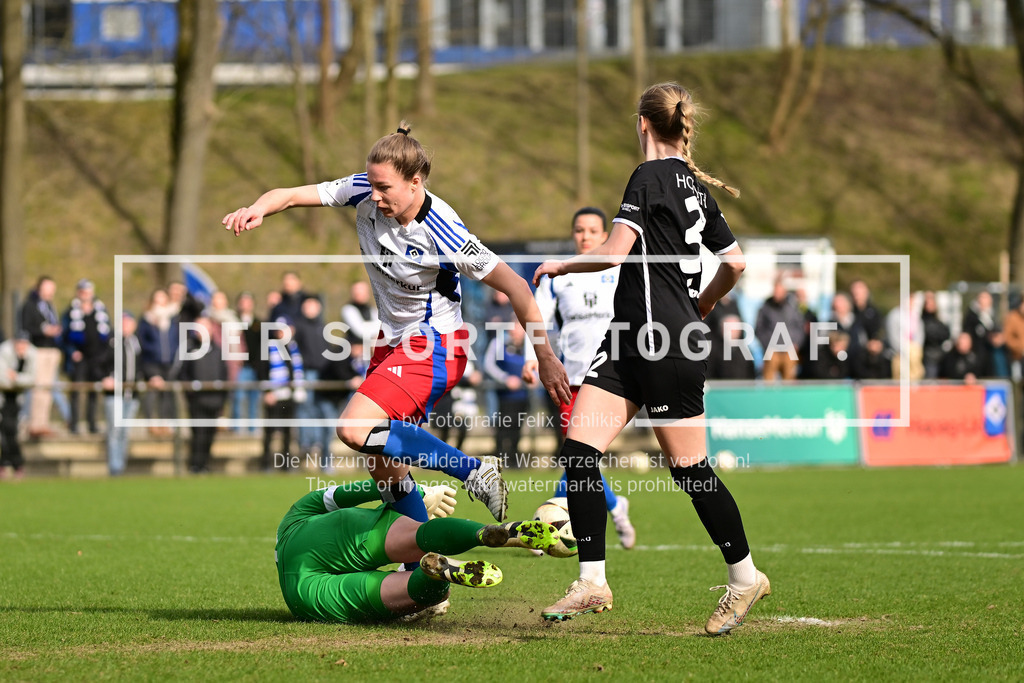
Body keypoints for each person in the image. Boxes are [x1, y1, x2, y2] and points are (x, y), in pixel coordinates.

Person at [224, 121, 571, 524]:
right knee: (386, 470)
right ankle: (422, 574)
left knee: (354, 429)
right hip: (392, 343)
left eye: (383, 188)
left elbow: (518, 289)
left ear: (414, 181)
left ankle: (473, 470)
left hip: (437, 344)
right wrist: (257, 209)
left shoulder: (445, 232)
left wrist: (545, 356)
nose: (372, 195)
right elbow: (288, 195)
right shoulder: (364, 189)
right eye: (370, 184)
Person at [532, 83, 768, 634]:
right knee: (580, 450)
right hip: (631, 339)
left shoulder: (649, 176)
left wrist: (561, 266)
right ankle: (592, 581)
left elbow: (613, 251)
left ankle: (745, 577)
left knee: (689, 471)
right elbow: (734, 264)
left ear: (643, 123)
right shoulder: (694, 187)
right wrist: (701, 306)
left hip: (662, 341)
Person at [275, 480, 562, 624]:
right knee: (416, 533)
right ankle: (483, 532)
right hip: (318, 530)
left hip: (303, 591)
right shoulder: (294, 512)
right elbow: (357, 491)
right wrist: (418, 492)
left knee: (407, 592)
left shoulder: (290, 537)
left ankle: (434, 576)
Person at [521, 206, 635, 549]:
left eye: (592, 231)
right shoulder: (560, 275)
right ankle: (607, 507)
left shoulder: (618, 270)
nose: (584, 236)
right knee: (578, 455)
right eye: (579, 230)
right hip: (569, 378)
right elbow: (538, 318)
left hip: (612, 377)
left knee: (579, 455)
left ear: (605, 236)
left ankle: (550, 523)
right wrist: (532, 358)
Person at [178, 316, 229, 473]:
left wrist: (222, 398)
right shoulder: (189, 349)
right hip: (197, 401)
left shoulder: (218, 350)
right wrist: (190, 392)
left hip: (214, 400)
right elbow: (183, 374)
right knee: (198, 434)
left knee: (209, 435)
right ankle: (195, 465)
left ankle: (205, 464)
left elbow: (224, 375)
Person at [61, 279, 111, 434]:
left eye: (88, 292)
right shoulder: (70, 311)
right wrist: (72, 352)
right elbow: (63, 336)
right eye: (83, 292)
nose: (85, 295)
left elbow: (107, 334)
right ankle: (74, 423)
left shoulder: (100, 310)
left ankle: (92, 423)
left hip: (96, 357)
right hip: (78, 357)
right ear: (78, 293)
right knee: (76, 391)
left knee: (93, 391)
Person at [19, 276, 67, 438]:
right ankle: (33, 424)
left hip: (52, 350)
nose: (50, 292)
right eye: (47, 288)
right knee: (38, 389)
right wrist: (43, 331)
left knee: (48, 389)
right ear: (39, 288)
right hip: (38, 350)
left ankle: (43, 423)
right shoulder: (30, 305)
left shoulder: (49, 306)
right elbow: (26, 327)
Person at [261, 317, 305, 472]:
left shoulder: (293, 347)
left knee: (287, 432)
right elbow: (263, 371)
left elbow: (295, 371)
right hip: (274, 396)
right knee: (270, 432)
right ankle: (266, 464)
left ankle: (286, 465)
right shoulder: (270, 347)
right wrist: (267, 391)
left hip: (289, 396)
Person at [101, 312, 141, 477]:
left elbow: (143, 365)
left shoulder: (136, 343)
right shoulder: (111, 343)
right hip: (115, 395)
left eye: (129, 323)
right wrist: (106, 378)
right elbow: (99, 363)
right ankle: (114, 468)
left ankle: (121, 467)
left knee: (124, 433)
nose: (126, 326)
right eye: (123, 323)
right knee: (115, 432)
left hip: (132, 395)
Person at [483, 320, 529, 463]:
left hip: (523, 395)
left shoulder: (530, 346)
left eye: (519, 327)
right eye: (514, 326)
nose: (516, 330)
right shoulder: (498, 343)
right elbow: (488, 365)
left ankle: (514, 459)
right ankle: (499, 458)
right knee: (502, 427)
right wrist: (505, 378)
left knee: (517, 427)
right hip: (504, 395)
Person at [136, 288, 180, 431]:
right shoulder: (146, 320)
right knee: (152, 392)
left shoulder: (173, 319)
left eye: (162, 299)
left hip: (170, 363)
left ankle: (168, 424)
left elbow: (177, 340)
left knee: (168, 394)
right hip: (151, 363)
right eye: (157, 299)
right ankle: (151, 423)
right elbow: (141, 343)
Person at [0, 332, 36, 480]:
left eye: (24, 344)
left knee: (10, 431)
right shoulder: (4, 351)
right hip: (2, 396)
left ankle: (14, 464)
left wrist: (16, 377)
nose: (22, 347)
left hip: (17, 399)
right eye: (19, 344)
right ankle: (11, 464)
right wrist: (18, 380)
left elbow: (32, 379)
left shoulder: (32, 354)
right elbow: (2, 380)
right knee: (4, 431)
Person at [754, 279, 804, 381]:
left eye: (780, 291)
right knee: (768, 380)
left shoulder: (792, 307)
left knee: (789, 380)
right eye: (776, 290)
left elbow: (799, 327)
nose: (778, 293)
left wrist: (796, 343)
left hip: (789, 350)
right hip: (772, 351)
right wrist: (768, 345)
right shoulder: (765, 307)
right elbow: (759, 329)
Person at [340, 280, 380, 347]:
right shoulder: (348, 309)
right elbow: (361, 332)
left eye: (362, 291)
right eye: (357, 291)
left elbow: (381, 328)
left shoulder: (373, 310)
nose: (360, 293)